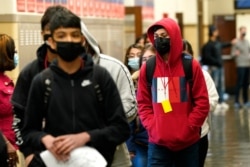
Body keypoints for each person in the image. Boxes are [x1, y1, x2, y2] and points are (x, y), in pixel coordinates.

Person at [21, 9, 129, 167]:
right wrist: (45, 139)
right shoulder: (42, 81)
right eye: (62, 36)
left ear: (82, 40)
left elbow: (121, 129)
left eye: (74, 35)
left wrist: (86, 137)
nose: (69, 40)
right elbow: (28, 131)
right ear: (50, 41)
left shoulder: (100, 77)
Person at [137, 18, 210, 167]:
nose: (159, 39)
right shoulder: (148, 67)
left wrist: (190, 127)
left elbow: (202, 102)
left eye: (164, 35)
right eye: (156, 36)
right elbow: (143, 102)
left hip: (188, 144)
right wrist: (153, 126)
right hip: (158, 145)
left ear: (174, 36)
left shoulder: (190, 65)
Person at [11, 5, 65, 166]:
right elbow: (17, 119)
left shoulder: (85, 71)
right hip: (41, 157)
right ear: (43, 34)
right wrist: (27, 154)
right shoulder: (30, 73)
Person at [80, 21, 138, 167]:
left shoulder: (114, 67)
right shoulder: (50, 75)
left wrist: (104, 121)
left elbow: (131, 107)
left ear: (84, 39)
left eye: (75, 36)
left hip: (114, 155)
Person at [183, 39, 219, 167]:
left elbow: (213, 101)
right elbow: (164, 102)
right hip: (174, 134)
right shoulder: (168, 76)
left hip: (199, 133)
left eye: (186, 54)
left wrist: (196, 109)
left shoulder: (203, 75)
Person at [126, 43, 155, 167]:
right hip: (140, 143)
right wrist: (130, 147)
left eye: (151, 58)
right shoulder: (135, 88)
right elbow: (130, 120)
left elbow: (167, 111)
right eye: (144, 59)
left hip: (160, 142)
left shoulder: (163, 85)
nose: (147, 62)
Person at [201, 25, 232, 111]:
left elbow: (223, 45)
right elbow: (207, 57)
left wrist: (231, 43)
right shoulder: (208, 45)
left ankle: (221, 101)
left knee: (222, 85)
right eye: (215, 31)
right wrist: (216, 62)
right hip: (214, 67)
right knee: (215, 85)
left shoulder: (217, 43)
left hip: (220, 67)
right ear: (212, 32)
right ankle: (216, 102)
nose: (217, 32)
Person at [0, 33, 19, 167]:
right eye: (13, 51)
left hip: (10, 146)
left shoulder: (6, 80)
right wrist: (6, 145)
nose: (16, 54)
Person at [231, 26, 250, 109]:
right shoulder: (236, 42)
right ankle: (236, 101)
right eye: (243, 31)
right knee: (239, 83)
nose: (244, 33)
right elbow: (232, 54)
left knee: (246, 84)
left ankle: (246, 101)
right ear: (239, 31)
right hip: (240, 65)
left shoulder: (247, 42)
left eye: (245, 31)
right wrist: (236, 54)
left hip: (247, 65)